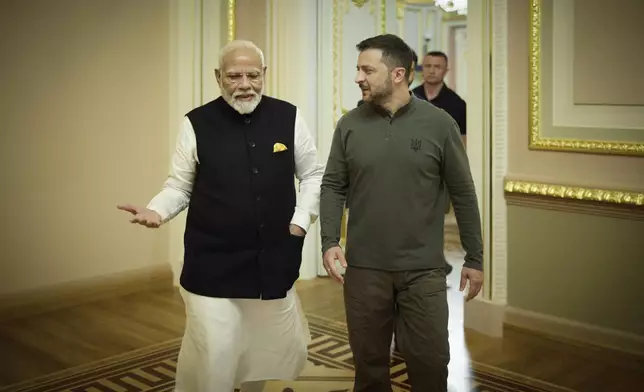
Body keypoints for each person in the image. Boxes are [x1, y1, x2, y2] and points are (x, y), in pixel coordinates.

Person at [117, 40, 324, 392]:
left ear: (264, 75)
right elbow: (179, 186)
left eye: (253, 75)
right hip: (211, 263)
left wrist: (301, 220)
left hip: (271, 260)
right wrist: (157, 210)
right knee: (218, 350)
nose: (245, 84)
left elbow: (313, 174)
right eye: (234, 76)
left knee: (263, 349)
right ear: (218, 77)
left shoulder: (289, 116)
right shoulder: (196, 123)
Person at [320, 34, 483, 392]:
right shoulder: (348, 125)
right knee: (369, 368)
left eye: (367, 70)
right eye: (358, 69)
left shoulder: (440, 124)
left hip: (423, 272)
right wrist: (329, 240)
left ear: (397, 74)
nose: (357, 78)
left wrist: (475, 256)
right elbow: (333, 185)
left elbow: (464, 192)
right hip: (363, 271)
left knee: (430, 365)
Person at [412, 51, 467, 147]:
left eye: (437, 67)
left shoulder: (457, 105)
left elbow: (462, 142)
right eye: (428, 66)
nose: (432, 71)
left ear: (446, 71)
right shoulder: (410, 98)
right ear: (422, 69)